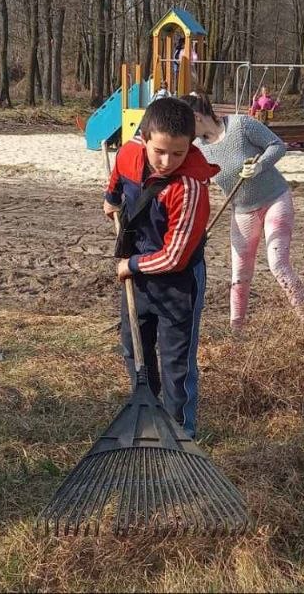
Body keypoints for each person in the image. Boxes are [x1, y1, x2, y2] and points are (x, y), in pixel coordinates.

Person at [103, 97, 219, 437]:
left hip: (177, 282)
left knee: (176, 362)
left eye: (178, 153)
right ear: (145, 139)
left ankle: (181, 433)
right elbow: (117, 180)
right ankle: (149, 414)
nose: (167, 161)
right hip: (138, 276)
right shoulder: (128, 153)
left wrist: (132, 264)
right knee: (133, 344)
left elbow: (174, 257)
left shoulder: (190, 188)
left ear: (191, 145)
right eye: (160, 152)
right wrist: (111, 200)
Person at [184, 94, 304, 333]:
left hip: (275, 199)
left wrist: (259, 165)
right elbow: (200, 179)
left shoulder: (240, 125)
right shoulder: (198, 149)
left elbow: (277, 146)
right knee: (239, 273)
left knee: (277, 263)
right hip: (242, 210)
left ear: (196, 117)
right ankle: (236, 331)